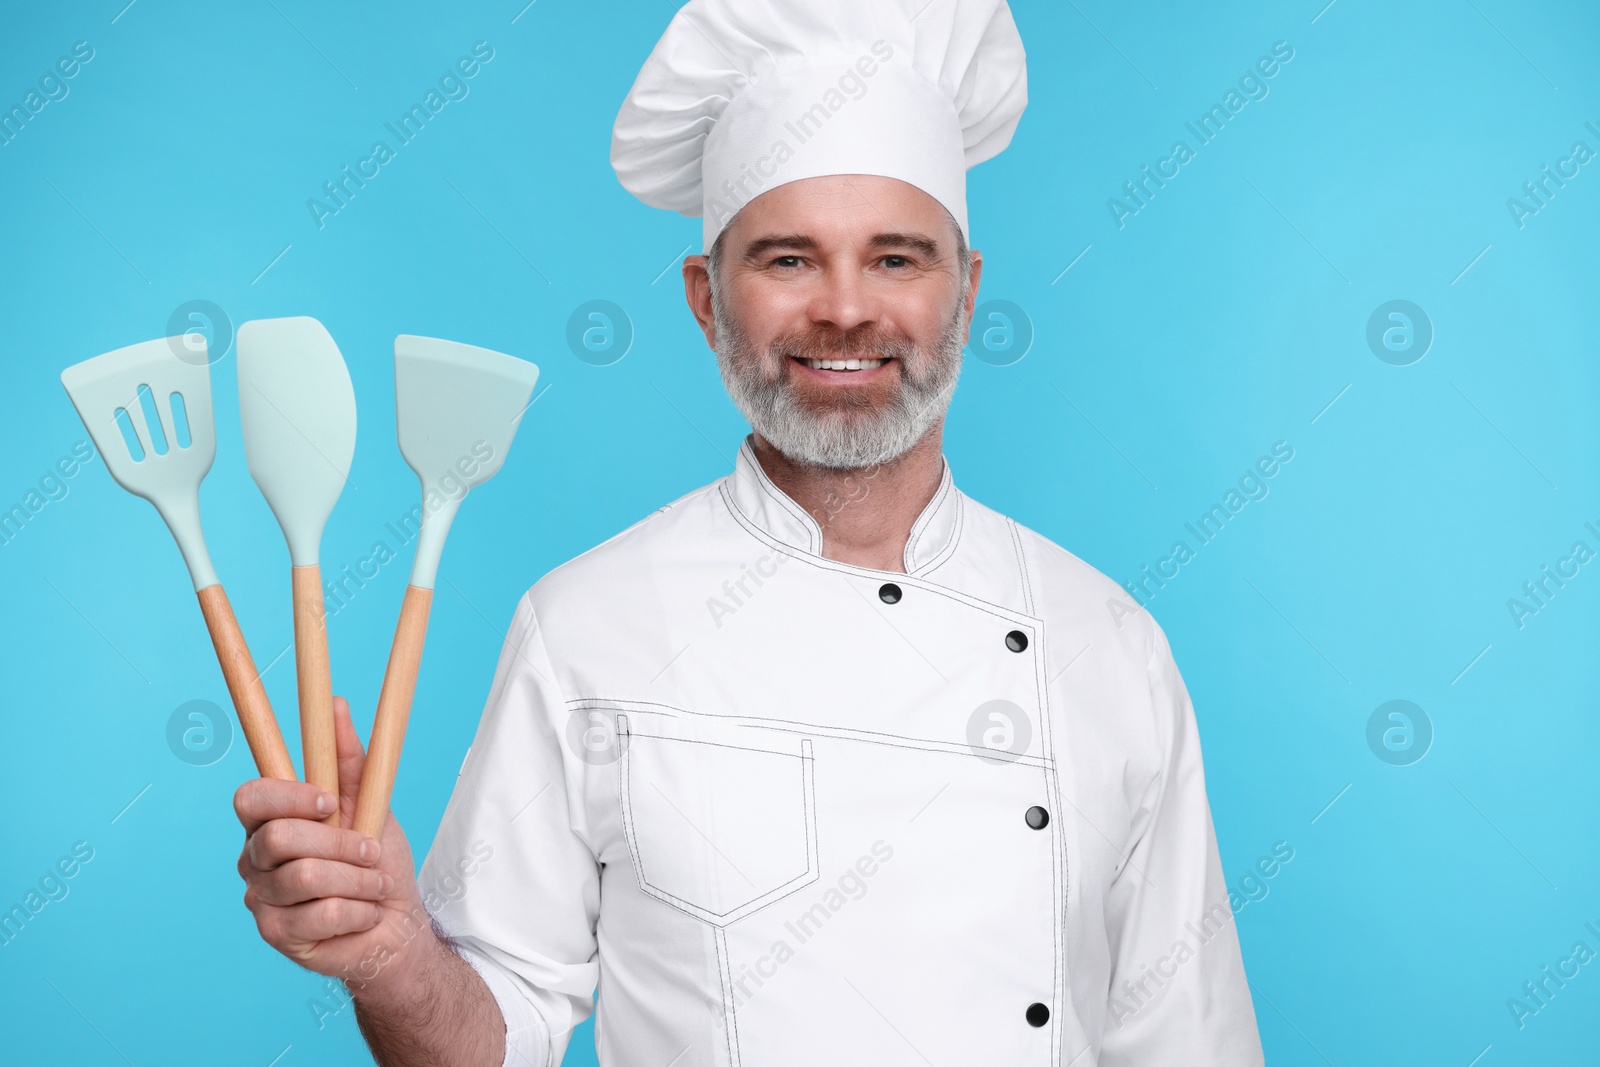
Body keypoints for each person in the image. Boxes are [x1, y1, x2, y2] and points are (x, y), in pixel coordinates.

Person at [233, 1, 1265, 1063]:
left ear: (966, 294)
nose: (846, 310)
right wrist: (394, 955)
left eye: (898, 260)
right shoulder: (585, 625)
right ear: (703, 299)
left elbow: (1189, 1038)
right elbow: (494, 1039)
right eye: (787, 260)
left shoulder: (1110, 643)